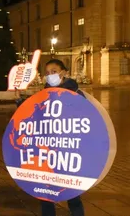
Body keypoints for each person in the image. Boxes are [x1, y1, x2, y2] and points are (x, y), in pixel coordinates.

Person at [16, 59, 85, 216]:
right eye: (47, 73)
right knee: (46, 195)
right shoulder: (44, 94)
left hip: (68, 153)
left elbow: (85, 120)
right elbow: (33, 116)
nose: (50, 76)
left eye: (53, 72)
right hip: (47, 152)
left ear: (64, 72)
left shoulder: (76, 93)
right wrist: (20, 102)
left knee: (72, 194)